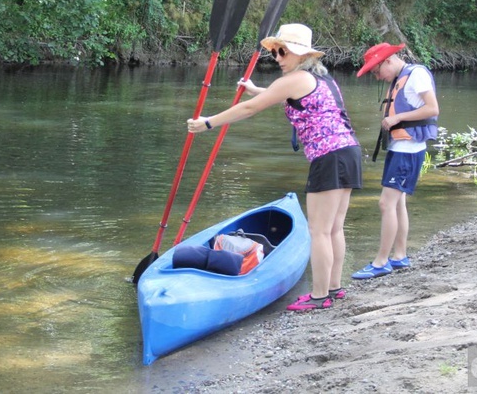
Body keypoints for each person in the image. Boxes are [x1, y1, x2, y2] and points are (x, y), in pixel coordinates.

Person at [187, 23, 362, 311]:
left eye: (282, 51)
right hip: (348, 153)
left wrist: (208, 122)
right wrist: (256, 89)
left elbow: (250, 109)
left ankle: (319, 297)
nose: (277, 57)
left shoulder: (296, 79)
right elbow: (276, 95)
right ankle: (334, 288)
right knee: (333, 229)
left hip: (329, 157)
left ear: (299, 54)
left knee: (319, 231)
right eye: (275, 52)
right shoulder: (323, 78)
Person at [352, 43, 439, 279]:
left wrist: (397, 117)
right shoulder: (401, 77)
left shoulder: (416, 75)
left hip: (408, 149)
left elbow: (432, 108)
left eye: (376, 71)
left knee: (385, 204)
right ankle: (399, 256)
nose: (378, 77)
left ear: (388, 60)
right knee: (398, 203)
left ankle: (381, 262)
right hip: (402, 147)